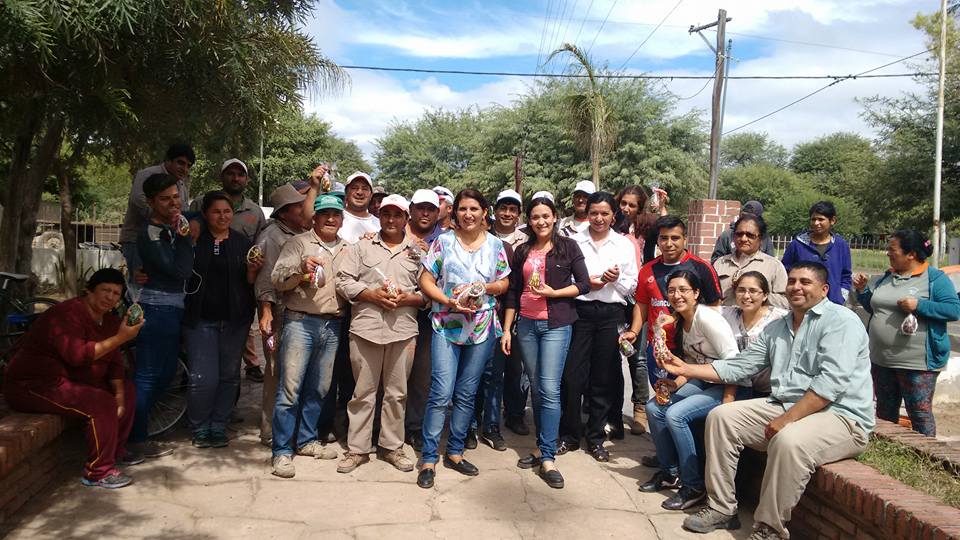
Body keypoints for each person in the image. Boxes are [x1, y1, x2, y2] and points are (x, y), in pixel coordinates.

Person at [665, 262, 874, 540]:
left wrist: (786, 420)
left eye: (805, 282)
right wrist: (685, 369)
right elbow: (740, 366)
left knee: (788, 441)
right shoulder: (778, 326)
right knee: (721, 417)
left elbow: (829, 386)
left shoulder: (842, 322)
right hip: (786, 404)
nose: (796, 287)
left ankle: (769, 528)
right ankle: (722, 508)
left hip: (841, 416)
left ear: (824, 289)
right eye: (792, 281)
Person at [2, 269, 143, 489]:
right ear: (89, 290)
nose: (110, 297)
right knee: (101, 402)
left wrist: (121, 396)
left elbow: (114, 359)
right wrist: (122, 337)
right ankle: (98, 472)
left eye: (116, 293)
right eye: (105, 290)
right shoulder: (66, 314)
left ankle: (115, 451)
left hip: (72, 380)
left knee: (127, 388)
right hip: (34, 384)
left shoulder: (109, 320)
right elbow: (77, 356)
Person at [415, 189, 511, 489]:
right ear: (454, 212)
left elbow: (505, 281)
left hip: (481, 328)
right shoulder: (443, 242)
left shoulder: (496, 245)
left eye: (474, 209)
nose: (468, 214)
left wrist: (487, 287)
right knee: (441, 392)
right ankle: (429, 458)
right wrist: (447, 300)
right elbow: (425, 279)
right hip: (446, 324)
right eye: (462, 209)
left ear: (485, 212)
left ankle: (455, 452)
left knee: (467, 393)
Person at [638, 271, 747, 511]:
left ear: (696, 293)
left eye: (684, 290)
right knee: (654, 407)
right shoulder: (678, 321)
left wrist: (728, 401)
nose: (677, 295)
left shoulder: (707, 319)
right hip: (703, 381)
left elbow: (735, 365)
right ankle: (670, 472)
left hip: (729, 386)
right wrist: (674, 384)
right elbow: (692, 365)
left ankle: (694, 486)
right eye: (672, 290)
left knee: (676, 415)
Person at [501, 196, 590, 488]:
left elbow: (584, 284)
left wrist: (555, 293)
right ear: (530, 220)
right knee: (537, 389)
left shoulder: (568, 247)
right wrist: (507, 329)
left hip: (556, 325)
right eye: (535, 217)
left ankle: (549, 456)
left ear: (555, 218)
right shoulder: (523, 250)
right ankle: (541, 446)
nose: (541, 221)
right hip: (526, 325)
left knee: (549, 388)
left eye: (545, 216)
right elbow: (513, 291)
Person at [335, 194, 426, 474]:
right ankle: (358, 449)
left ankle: (391, 447)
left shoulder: (418, 251)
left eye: (397, 215)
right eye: (386, 214)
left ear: (405, 219)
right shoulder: (362, 247)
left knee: (397, 394)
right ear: (380, 216)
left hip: (403, 331)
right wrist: (370, 295)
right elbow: (343, 280)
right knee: (363, 392)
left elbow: (431, 292)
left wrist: (408, 299)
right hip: (366, 329)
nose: (390, 220)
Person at [268, 194, 348, 478]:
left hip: (333, 324)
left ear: (342, 219)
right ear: (314, 217)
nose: (330, 219)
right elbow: (276, 280)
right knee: (290, 390)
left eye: (335, 214)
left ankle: (306, 440)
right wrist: (299, 268)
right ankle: (281, 452)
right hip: (300, 322)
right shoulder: (298, 243)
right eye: (324, 213)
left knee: (320, 389)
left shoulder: (348, 249)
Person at [854, 230, 960, 437]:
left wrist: (919, 305)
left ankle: (927, 457)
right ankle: (886, 452)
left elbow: (953, 310)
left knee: (919, 413)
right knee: (884, 411)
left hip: (918, 363)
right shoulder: (888, 276)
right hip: (882, 359)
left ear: (911, 254)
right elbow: (876, 308)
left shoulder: (934, 279)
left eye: (892, 249)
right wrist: (863, 291)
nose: (887, 253)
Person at [557, 191, 638, 462]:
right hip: (578, 311)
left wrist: (613, 280)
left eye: (605, 213)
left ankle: (595, 437)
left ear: (614, 215)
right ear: (586, 214)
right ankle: (569, 434)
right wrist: (585, 283)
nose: (599, 218)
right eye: (594, 213)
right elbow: (563, 277)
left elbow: (631, 286)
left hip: (609, 313)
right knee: (571, 376)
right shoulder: (573, 241)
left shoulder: (624, 245)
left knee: (603, 378)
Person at [183, 191, 261, 448]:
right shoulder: (194, 240)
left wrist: (251, 271)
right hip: (201, 321)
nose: (223, 216)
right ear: (205, 214)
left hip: (234, 321)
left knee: (229, 376)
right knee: (203, 378)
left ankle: (219, 425)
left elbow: (249, 283)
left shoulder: (242, 244)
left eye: (227, 211)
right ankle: (199, 426)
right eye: (216, 211)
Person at [622, 216, 722, 408]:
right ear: (658, 241)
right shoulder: (647, 270)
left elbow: (715, 308)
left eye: (675, 238)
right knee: (662, 399)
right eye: (663, 238)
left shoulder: (701, 268)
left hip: (690, 350)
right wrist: (634, 332)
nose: (669, 243)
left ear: (685, 238)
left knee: (683, 405)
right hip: (658, 350)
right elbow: (642, 305)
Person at [130, 173, 194, 457]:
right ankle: (134, 441)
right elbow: (179, 271)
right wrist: (184, 240)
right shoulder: (151, 232)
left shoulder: (171, 226)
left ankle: (131, 429)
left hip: (171, 309)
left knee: (166, 372)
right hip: (155, 309)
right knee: (147, 375)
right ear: (151, 202)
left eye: (175, 196)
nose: (173, 203)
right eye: (165, 199)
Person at [189, 158, 267, 383]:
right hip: (205, 289)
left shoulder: (255, 211)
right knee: (205, 366)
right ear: (221, 177)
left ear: (247, 179)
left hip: (240, 285)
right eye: (230, 174)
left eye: (240, 174)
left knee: (231, 361)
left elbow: (259, 246)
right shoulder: (200, 204)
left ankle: (230, 401)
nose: (235, 178)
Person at [471, 188, 530, 449]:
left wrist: (507, 325)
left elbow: (510, 290)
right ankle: (470, 425)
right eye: (502, 208)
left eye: (512, 209)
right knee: (472, 376)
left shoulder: (506, 247)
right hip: (468, 320)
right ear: (490, 213)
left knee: (497, 374)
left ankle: (492, 426)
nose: (507, 213)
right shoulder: (460, 242)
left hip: (497, 320)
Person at [254, 183, 307, 446]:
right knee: (276, 372)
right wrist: (266, 312)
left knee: (294, 373)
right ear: (284, 212)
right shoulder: (272, 236)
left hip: (299, 313)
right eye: (299, 206)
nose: (303, 209)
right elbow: (265, 280)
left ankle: (291, 428)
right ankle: (270, 430)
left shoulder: (303, 232)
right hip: (277, 312)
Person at [403, 189, 445, 451]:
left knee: (422, 375)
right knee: (392, 375)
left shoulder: (444, 240)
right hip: (395, 311)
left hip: (428, 316)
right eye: (420, 208)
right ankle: (384, 428)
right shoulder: (394, 231)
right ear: (412, 209)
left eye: (431, 209)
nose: (425, 213)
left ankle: (415, 427)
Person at [119, 144, 193, 291]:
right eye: (180, 162)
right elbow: (137, 200)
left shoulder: (180, 183)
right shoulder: (147, 174)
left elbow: (183, 212)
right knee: (139, 287)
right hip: (136, 240)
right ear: (168, 160)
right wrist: (164, 220)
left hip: (168, 242)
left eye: (188, 165)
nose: (184, 168)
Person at [720, 271, 788, 398]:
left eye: (753, 291)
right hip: (737, 386)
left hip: (769, 392)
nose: (746, 296)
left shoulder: (780, 318)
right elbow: (697, 310)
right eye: (741, 290)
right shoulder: (728, 314)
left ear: (765, 295)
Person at [781, 201, 852, 306]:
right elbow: (784, 272)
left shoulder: (841, 245)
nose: (816, 223)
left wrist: (841, 297)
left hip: (833, 304)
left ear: (832, 220)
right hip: (804, 304)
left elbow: (846, 275)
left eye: (821, 219)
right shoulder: (797, 245)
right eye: (813, 219)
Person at [713, 214, 788, 309]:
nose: (743, 239)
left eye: (750, 235)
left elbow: (786, 302)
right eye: (739, 234)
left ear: (761, 239)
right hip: (725, 320)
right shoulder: (720, 263)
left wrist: (757, 294)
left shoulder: (773, 266)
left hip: (760, 322)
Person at [710, 201, 775, 264]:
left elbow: (770, 263)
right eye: (743, 215)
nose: (744, 239)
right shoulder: (727, 235)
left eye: (750, 217)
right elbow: (716, 261)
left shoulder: (764, 238)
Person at [336, 171, 379, 243]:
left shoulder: (380, 225)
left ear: (371, 195)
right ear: (346, 193)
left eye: (365, 189)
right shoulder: (334, 219)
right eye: (354, 188)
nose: (359, 192)